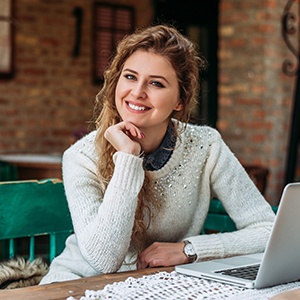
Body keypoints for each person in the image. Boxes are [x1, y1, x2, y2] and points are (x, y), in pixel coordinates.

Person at [40, 24, 275, 284]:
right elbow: (104, 261)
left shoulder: (206, 146)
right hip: (77, 286)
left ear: (180, 101)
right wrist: (129, 158)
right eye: (130, 77)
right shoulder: (81, 157)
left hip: (161, 285)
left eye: (156, 83)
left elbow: (267, 230)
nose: (138, 92)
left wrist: (189, 249)